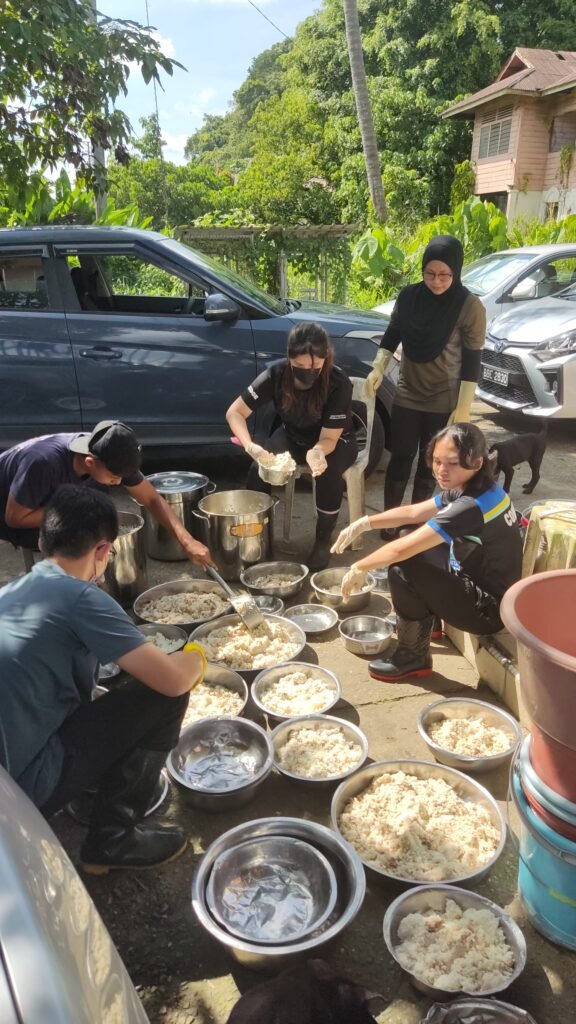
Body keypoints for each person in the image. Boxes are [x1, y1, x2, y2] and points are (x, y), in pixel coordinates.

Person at [0, 484, 207, 873]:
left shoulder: (16, 589)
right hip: (22, 793)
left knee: (112, 690)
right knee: (163, 697)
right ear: (102, 550)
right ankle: (113, 840)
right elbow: (172, 682)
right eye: (108, 553)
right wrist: (196, 657)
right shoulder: (81, 597)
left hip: (7, 777)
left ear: (45, 541)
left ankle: (90, 789)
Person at [331, 423, 523, 682]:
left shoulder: (471, 505)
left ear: (476, 463)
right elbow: (414, 512)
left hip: (488, 611)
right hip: (484, 585)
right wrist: (363, 523)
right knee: (407, 532)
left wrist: (359, 566)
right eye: (436, 461)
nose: (442, 471)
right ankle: (427, 623)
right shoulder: (478, 486)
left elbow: (401, 550)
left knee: (403, 565)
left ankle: (413, 657)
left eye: (452, 463)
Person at [365, 235, 486, 530]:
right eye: (429, 274)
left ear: (456, 271)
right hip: (408, 393)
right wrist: (379, 365)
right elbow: (393, 332)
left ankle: (416, 525)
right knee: (400, 457)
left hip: (445, 397)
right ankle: (389, 521)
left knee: (431, 464)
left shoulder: (469, 307)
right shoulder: (409, 298)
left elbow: (472, 359)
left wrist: (464, 406)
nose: (437, 281)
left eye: (445, 274)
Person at [226, 322, 357, 570]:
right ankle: (255, 534)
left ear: (325, 359)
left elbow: (329, 438)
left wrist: (317, 452)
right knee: (258, 470)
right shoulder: (275, 375)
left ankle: (322, 540)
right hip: (293, 435)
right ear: (289, 358)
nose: (308, 372)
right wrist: (250, 446)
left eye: (314, 367)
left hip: (335, 440)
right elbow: (235, 413)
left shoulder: (338, 382)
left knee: (328, 474)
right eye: (300, 367)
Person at [0, 419, 214, 567]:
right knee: (84, 528)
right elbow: (15, 518)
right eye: (115, 477)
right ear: (90, 462)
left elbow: (151, 498)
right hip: (9, 511)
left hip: (50, 501)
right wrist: (75, 512)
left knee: (96, 507)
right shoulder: (43, 463)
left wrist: (187, 541)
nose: (120, 482)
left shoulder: (109, 451)